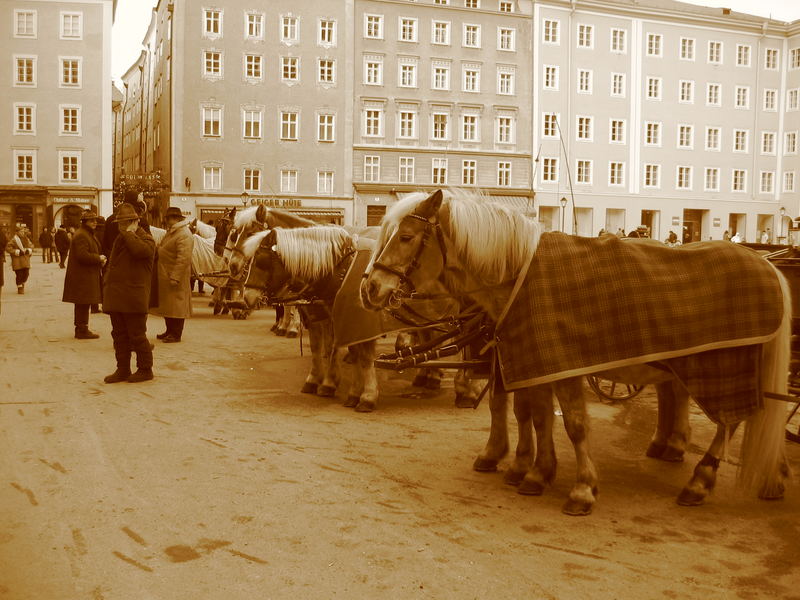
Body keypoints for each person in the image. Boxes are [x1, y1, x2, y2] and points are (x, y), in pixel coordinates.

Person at [102, 203, 156, 383]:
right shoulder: (122, 238)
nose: (120, 227)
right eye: (119, 223)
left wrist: (129, 233)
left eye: (124, 223)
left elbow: (140, 252)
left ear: (135, 222)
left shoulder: (146, 239)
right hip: (117, 296)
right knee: (119, 336)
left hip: (133, 298)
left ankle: (145, 369)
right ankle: (123, 369)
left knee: (137, 336)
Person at [151, 207, 194, 343]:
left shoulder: (184, 234)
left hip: (175, 276)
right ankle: (169, 330)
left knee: (177, 307)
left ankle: (176, 334)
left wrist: (175, 276)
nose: (167, 221)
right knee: (168, 306)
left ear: (176, 219)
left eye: (168, 219)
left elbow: (183, 258)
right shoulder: (173, 232)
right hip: (166, 274)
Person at [62, 210, 106, 339]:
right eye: (91, 220)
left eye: (95, 220)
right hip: (82, 276)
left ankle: (82, 328)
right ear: (84, 222)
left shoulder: (86, 233)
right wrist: (98, 258)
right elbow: (82, 256)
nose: (94, 223)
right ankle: (81, 329)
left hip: (85, 275)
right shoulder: (82, 235)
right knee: (82, 303)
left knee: (83, 303)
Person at [6, 224, 33, 294]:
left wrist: (29, 250)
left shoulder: (26, 239)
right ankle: (20, 287)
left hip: (25, 260)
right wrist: (16, 251)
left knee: (26, 274)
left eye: (23, 232)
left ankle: (22, 282)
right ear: (17, 232)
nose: (22, 233)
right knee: (19, 275)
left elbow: (31, 245)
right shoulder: (14, 240)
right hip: (17, 261)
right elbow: (8, 248)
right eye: (21, 231)